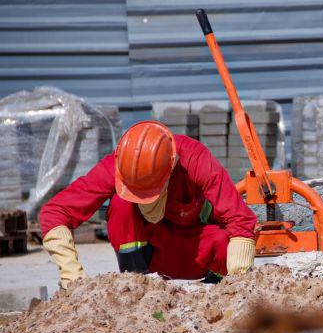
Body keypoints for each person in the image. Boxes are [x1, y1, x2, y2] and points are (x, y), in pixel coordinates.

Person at [39, 120, 257, 289]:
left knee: (222, 241)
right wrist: (72, 277)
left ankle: (217, 288)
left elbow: (240, 218)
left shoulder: (194, 159)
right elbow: (55, 211)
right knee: (121, 204)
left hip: (195, 251)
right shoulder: (119, 164)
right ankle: (134, 285)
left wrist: (238, 282)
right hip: (151, 252)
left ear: (171, 167)